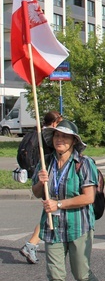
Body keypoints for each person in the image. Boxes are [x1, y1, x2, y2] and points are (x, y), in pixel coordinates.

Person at [31, 119, 105, 281]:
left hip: (78, 224)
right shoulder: (46, 163)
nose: (59, 140)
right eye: (56, 136)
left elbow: (89, 197)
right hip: (52, 226)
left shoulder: (83, 163)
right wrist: (39, 181)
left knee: (81, 273)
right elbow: (37, 192)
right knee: (55, 275)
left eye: (64, 136)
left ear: (74, 140)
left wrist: (59, 204)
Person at [19, 111, 62, 264]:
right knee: (49, 212)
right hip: (46, 177)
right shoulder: (47, 137)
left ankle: (32, 244)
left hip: (39, 174)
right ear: (55, 122)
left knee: (48, 211)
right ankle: (31, 244)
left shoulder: (38, 133)